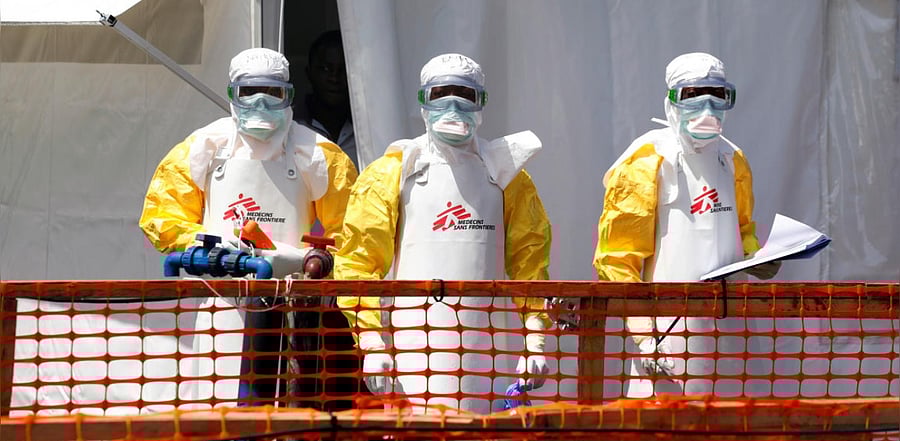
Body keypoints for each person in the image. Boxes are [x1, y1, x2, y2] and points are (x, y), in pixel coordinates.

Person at [334, 53, 553, 414]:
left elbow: (530, 264)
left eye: (465, 95)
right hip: (412, 350)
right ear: (423, 101)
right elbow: (358, 263)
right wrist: (372, 341)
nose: (453, 106)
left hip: (489, 351)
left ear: (481, 102)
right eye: (441, 94)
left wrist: (535, 339)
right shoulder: (392, 173)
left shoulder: (507, 175)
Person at [139, 47, 357, 405]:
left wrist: (305, 258)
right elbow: (161, 217)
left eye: (272, 93)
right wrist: (212, 246)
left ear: (289, 95)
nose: (261, 103)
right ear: (232, 94)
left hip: (294, 305)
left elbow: (353, 236)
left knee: (288, 406)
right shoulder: (204, 147)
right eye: (249, 92)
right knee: (218, 402)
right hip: (221, 303)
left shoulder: (320, 154)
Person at [592, 52, 780, 398]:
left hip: (731, 331)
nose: (707, 109)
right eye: (693, 96)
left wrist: (758, 257)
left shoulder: (732, 159)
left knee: (734, 419)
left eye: (717, 96)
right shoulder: (647, 160)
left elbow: (742, 229)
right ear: (672, 101)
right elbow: (618, 260)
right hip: (667, 336)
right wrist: (644, 336)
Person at [292, 30, 358, 171]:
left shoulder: (366, 129)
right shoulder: (291, 125)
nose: (334, 78)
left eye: (343, 69)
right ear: (309, 73)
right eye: (326, 69)